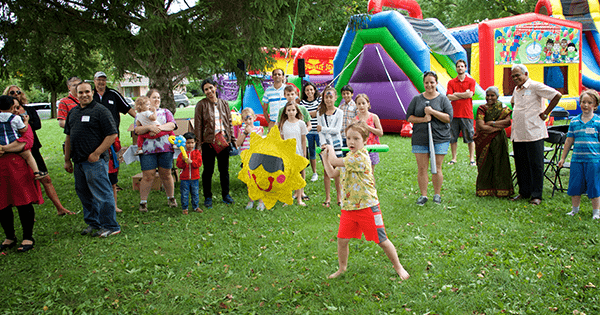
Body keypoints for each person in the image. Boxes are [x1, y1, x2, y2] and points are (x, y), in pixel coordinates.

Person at [320, 121, 410, 280]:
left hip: (367, 207)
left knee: (381, 240)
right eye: (348, 138)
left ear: (365, 141)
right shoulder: (349, 157)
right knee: (342, 239)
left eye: (356, 138)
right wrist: (324, 156)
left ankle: (399, 267)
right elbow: (333, 172)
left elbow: (335, 161)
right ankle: (342, 268)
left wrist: (331, 151)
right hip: (349, 208)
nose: (351, 142)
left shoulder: (360, 158)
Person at [3, 85, 73, 216]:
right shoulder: (4, 116)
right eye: (12, 92)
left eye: (18, 92)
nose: (15, 94)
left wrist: (24, 123)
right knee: (20, 183)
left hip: (32, 148)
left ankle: (59, 208)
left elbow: (37, 125)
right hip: (13, 153)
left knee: (45, 178)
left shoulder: (28, 110)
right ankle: (26, 213)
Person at [64, 82, 120, 237]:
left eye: (87, 92)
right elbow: (68, 137)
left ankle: (111, 226)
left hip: (95, 162)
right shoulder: (73, 112)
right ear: (76, 94)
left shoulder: (101, 111)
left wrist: (96, 153)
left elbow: (112, 134)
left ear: (92, 92)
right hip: (78, 161)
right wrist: (67, 159)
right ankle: (93, 223)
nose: (84, 95)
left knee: (102, 193)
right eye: (80, 93)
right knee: (84, 194)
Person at [510, 63, 562, 205]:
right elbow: (513, 103)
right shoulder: (516, 89)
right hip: (518, 133)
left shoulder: (535, 86)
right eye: (513, 76)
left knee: (536, 165)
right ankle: (524, 192)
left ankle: (536, 195)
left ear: (526, 74)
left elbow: (557, 95)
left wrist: (546, 113)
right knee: (521, 164)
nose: (515, 78)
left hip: (534, 132)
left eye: (518, 75)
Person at [0, 102, 43, 252]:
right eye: (14, 107)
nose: (16, 110)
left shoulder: (22, 124)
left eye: (18, 107)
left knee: (23, 201)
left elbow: (26, 142)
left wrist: (4, 148)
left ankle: (27, 236)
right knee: (2, 204)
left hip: (17, 167)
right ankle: (9, 236)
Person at [406, 71, 453, 206]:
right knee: (422, 168)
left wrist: (432, 112)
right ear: (424, 83)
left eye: (432, 82)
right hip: (420, 138)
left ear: (436, 83)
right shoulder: (417, 99)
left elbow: (449, 118)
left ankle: (437, 194)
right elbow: (409, 117)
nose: (429, 85)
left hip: (440, 138)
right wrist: (423, 119)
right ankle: (423, 195)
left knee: (437, 167)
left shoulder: (443, 99)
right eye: (426, 82)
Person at [558, 90, 600, 219]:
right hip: (576, 159)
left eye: (589, 102)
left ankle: (596, 212)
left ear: (595, 105)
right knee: (575, 186)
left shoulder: (598, 122)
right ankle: (574, 210)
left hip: (593, 160)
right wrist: (563, 157)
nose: (585, 105)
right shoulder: (574, 122)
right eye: (583, 102)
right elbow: (569, 140)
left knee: (594, 186)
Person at [194, 78, 236, 208]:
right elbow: (198, 125)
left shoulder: (224, 103)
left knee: (224, 170)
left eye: (211, 88)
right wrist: (199, 144)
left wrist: (232, 139)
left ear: (215, 87)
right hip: (208, 142)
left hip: (223, 141)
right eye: (206, 89)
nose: (209, 91)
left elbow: (229, 122)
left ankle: (226, 195)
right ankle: (208, 197)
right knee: (208, 170)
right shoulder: (201, 105)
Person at [134, 89, 178, 212]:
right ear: (147, 100)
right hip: (147, 150)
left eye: (158, 97)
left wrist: (158, 128)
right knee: (148, 175)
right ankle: (143, 202)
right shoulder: (141, 114)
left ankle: (171, 197)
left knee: (166, 174)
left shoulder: (165, 112)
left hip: (165, 148)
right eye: (154, 97)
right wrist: (149, 127)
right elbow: (137, 130)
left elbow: (172, 125)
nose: (157, 100)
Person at [474, 86, 514, 197]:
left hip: (499, 139)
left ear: (497, 96)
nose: (489, 98)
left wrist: (493, 123)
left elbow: (507, 122)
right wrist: (497, 128)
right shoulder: (482, 108)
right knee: (486, 163)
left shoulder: (503, 108)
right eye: (488, 95)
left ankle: (502, 190)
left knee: (501, 162)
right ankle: (485, 190)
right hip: (485, 139)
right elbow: (481, 126)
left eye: (492, 95)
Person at [0, 96, 46, 179]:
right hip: (13, 141)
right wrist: (25, 121)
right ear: (11, 107)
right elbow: (23, 129)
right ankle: (36, 172)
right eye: (15, 107)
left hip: (2, 143)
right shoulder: (15, 118)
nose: (16, 110)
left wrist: (2, 148)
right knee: (28, 155)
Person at [447, 59, 476, 166]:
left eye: (462, 66)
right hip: (454, 114)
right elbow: (449, 96)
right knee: (452, 138)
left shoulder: (471, 81)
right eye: (458, 66)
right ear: (456, 68)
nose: (460, 68)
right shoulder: (451, 82)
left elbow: (470, 95)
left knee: (470, 137)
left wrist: (456, 94)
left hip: (467, 114)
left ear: (465, 68)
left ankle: (472, 159)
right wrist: (464, 93)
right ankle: (454, 158)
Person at [317, 87, 343, 208]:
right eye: (326, 97)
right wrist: (323, 144)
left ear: (335, 98)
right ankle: (328, 198)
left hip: (336, 145)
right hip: (325, 146)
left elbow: (337, 130)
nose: (328, 99)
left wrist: (323, 129)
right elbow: (319, 131)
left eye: (330, 97)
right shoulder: (320, 113)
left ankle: (339, 196)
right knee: (327, 172)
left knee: (337, 171)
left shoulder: (339, 112)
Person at [235, 108, 265, 210]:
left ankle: (261, 201)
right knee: (249, 180)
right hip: (246, 159)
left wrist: (251, 132)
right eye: (245, 119)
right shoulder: (241, 130)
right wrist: (245, 133)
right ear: (242, 120)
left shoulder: (259, 129)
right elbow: (238, 143)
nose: (248, 121)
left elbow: (258, 142)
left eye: (249, 118)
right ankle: (251, 200)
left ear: (254, 118)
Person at [279, 101, 308, 206]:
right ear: (285, 112)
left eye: (293, 110)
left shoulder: (301, 123)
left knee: (298, 177)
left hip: (298, 153)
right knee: (288, 177)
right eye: (289, 110)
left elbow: (303, 140)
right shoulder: (283, 124)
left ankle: (299, 199)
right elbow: (282, 140)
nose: (291, 112)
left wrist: (304, 153)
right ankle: (288, 199)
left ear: (297, 111)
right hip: (287, 155)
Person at [354, 93, 383, 172]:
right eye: (359, 104)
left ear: (368, 104)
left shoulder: (374, 117)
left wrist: (368, 127)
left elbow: (380, 133)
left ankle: (371, 184)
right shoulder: (355, 119)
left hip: (372, 148)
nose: (361, 106)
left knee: (370, 171)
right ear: (356, 105)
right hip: (359, 149)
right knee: (360, 171)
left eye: (363, 103)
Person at [176, 132, 203, 215]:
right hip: (185, 179)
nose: (190, 145)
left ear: (195, 143)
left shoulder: (197, 153)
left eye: (192, 143)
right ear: (184, 143)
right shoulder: (182, 154)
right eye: (188, 143)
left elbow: (199, 164)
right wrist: (184, 161)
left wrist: (191, 162)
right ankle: (185, 208)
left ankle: (195, 206)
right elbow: (179, 165)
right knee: (184, 194)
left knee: (195, 193)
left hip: (195, 178)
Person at [299, 82, 321, 182]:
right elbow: (302, 116)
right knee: (311, 152)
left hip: (319, 130)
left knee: (322, 152)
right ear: (304, 92)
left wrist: (314, 113)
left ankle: (328, 171)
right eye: (307, 90)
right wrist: (312, 113)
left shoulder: (319, 100)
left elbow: (322, 111)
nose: (309, 92)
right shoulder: (302, 103)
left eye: (311, 89)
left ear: (314, 90)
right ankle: (314, 173)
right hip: (308, 131)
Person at [339, 85, 357, 157]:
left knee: (351, 154)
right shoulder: (341, 106)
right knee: (343, 155)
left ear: (352, 94)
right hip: (342, 135)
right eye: (343, 94)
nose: (345, 95)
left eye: (347, 93)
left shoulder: (355, 106)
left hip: (351, 135)